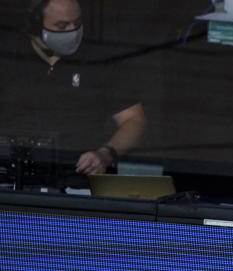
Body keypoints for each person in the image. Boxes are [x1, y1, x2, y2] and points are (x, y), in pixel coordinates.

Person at [0, 0, 147, 177]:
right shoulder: (8, 55)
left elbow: (134, 121)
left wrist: (104, 155)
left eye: (77, 23)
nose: (72, 31)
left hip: (78, 182)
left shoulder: (100, 59)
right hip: (10, 179)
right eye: (62, 26)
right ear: (36, 26)